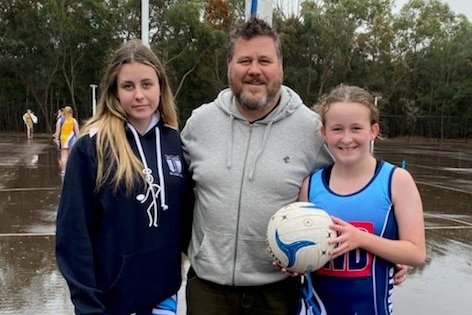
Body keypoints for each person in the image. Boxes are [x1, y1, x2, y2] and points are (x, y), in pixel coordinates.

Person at [181, 17, 332, 315]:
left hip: (277, 291)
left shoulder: (312, 130)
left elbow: (351, 188)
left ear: (280, 67)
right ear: (229, 65)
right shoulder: (200, 122)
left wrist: (385, 247)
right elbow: (170, 191)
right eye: (244, 60)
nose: (254, 70)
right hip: (207, 289)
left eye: (265, 60)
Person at [55, 39, 193, 315]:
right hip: (111, 303)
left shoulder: (174, 142)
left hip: (163, 298)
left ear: (161, 87)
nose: (139, 95)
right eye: (128, 86)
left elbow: (190, 221)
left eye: (146, 84)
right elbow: (72, 235)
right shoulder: (92, 146)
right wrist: (88, 305)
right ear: (115, 91)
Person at [298, 84, 426, 315]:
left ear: (373, 130)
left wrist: (362, 240)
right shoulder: (311, 185)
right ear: (324, 133)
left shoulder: (396, 181)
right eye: (337, 129)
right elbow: (300, 247)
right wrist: (289, 260)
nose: (347, 138)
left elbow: (416, 253)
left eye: (356, 128)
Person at [54, 105, 80, 176]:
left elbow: (57, 131)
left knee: (64, 156)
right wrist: (78, 141)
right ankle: (72, 170)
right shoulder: (73, 120)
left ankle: (63, 171)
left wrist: (56, 139)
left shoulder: (60, 120)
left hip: (64, 139)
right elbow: (77, 132)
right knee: (72, 156)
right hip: (72, 139)